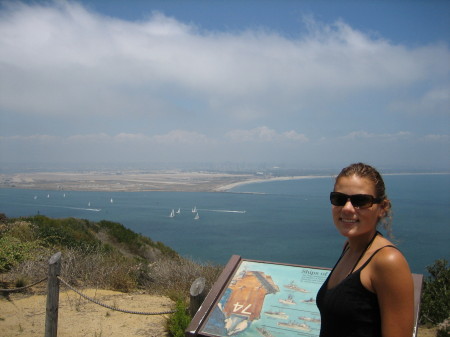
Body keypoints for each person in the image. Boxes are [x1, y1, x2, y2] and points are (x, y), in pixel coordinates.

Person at [316, 163, 414, 337]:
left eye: (360, 201)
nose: (347, 208)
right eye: (339, 199)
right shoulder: (349, 248)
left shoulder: (387, 261)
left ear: (382, 208)